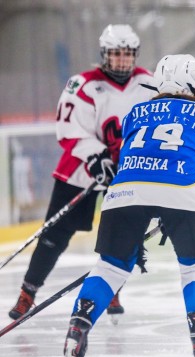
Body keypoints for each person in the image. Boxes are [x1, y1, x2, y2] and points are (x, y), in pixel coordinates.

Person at [63, 54, 195, 357]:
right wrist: (191, 210)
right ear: (193, 84)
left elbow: (137, 158)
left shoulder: (136, 113)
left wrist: (156, 210)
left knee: (110, 268)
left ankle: (77, 325)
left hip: (122, 192)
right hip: (183, 188)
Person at [8, 24, 155, 322]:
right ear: (104, 55)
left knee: (124, 232)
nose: (122, 61)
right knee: (55, 235)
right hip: (82, 171)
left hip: (126, 172)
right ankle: (28, 291)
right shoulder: (83, 84)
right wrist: (96, 157)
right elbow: (69, 128)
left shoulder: (149, 83)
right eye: (116, 54)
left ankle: (111, 287)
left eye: (127, 55)